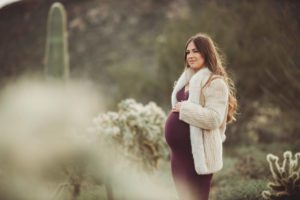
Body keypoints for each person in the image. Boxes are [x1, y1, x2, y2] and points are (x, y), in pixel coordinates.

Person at [164, 32, 237, 200]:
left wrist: (185, 110)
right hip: (179, 156)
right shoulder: (186, 81)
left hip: (198, 156)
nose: (190, 55)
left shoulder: (215, 82)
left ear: (206, 52)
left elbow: (214, 119)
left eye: (195, 51)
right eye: (188, 52)